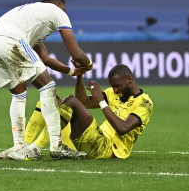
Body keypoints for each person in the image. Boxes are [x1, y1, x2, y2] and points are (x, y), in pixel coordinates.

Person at [0, 0, 92, 160]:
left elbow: (45, 58)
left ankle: (19, 147)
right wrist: (89, 64)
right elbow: (76, 53)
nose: (64, 14)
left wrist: (71, 72)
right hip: (11, 39)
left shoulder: (31, 16)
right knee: (48, 87)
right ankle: (57, 146)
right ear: (57, 5)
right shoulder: (56, 11)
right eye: (64, 10)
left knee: (19, 94)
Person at [10, 64, 153, 160]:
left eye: (117, 86)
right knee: (51, 100)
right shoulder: (112, 94)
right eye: (113, 87)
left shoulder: (144, 103)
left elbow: (123, 128)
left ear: (129, 80)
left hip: (107, 148)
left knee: (70, 101)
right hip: (91, 140)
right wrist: (80, 76)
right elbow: (83, 102)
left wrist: (101, 102)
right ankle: (22, 145)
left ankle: (35, 149)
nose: (115, 90)